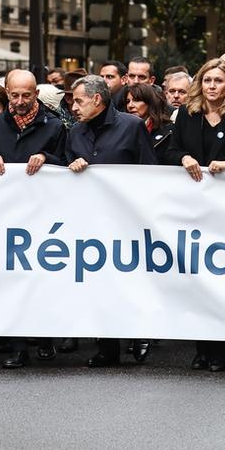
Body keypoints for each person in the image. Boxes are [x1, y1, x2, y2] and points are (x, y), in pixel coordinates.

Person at [163, 59, 225, 372]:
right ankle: (202, 349)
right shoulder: (187, 115)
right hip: (194, 208)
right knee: (198, 280)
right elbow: (167, 152)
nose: (211, 86)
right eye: (207, 80)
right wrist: (184, 157)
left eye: (218, 81)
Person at [65, 75, 155, 368]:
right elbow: (65, 174)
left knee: (131, 281)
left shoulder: (131, 126)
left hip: (126, 217)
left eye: (79, 100)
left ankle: (140, 335)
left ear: (97, 100)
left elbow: (149, 170)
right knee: (100, 283)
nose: (74, 107)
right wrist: (73, 166)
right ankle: (106, 346)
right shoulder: (75, 132)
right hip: (90, 219)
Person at [0, 70, 68, 368]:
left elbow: (67, 163)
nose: (20, 101)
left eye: (26, 95)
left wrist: (47, 157)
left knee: (42, 279)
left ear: (36, 94)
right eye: (14, 95)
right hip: (7, 213)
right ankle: (18, 346)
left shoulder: (55, 126)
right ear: (7, 92)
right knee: (13, 281)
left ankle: (45, 339)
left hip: (44, 214)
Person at [125, 83, 173, 164]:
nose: (130, 105)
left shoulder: (169, 131)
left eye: (136, 100)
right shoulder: (123, 129)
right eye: (127, 101)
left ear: (150, 102)